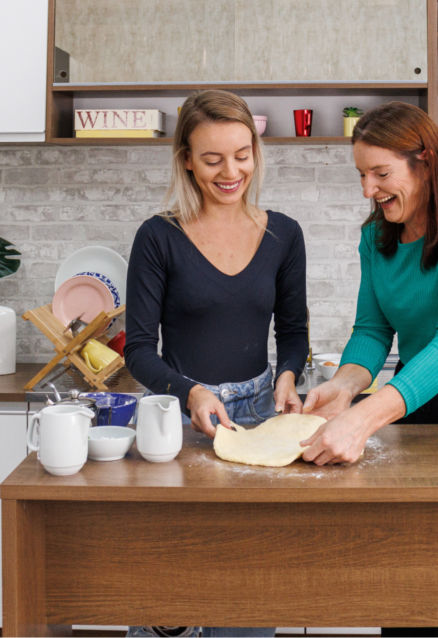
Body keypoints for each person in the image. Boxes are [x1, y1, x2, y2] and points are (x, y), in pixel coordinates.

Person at [298, 101, 438, 638]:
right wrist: (344, 386)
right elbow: (373, 330)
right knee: (404, 585)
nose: (367, 190)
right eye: (361, 175)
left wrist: (365, 417)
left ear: (425, 162)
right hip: (412, 401)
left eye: (381, 173)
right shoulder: (376, 235)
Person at [124, 90, 308, 638]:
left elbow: (293, 334)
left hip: (258, 419)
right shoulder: (159, 236)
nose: (232, 172)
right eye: (213, 159)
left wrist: (288, 378)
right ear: (185, 159)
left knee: (249, 586)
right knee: (169, 589)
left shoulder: (284, 234)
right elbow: (138, 349)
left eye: (243, 154)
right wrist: (191, 393)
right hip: (179, 420)